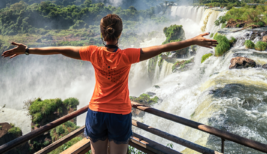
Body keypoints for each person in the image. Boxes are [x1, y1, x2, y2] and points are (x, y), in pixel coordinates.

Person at [2, 14, 218, 154]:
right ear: (120, 33)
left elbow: (59, 49)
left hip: (95, 112)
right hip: (120, 115)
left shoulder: (92, 52)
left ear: (102, 34)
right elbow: (163, 48)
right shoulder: (129, 55)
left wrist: (27, 49)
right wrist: (193, 40)